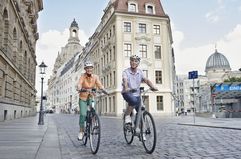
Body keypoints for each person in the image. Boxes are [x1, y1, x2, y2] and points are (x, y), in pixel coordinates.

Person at [122, 55, 158, 124]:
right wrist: (126, 88)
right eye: (132, 60)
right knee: (133, 100)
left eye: (135, 61)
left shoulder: (140, 72)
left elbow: (146, 80)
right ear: (130, 62)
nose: (133, 62)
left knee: (140, 110)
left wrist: (153, 87)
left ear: (138, 63)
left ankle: (136, 125)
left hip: (137, 93)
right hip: (127, 92)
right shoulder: (125, 72)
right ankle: (127, 115)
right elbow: (125, 80)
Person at [77, 61, 108, 140]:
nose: (89, 69)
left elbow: (99, 84)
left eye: (90, 68)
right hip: (83, 98)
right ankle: (81, 131)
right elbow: (79, 83)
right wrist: (79, 88)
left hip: (91, 97)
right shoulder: (83, 76)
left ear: (92, 69)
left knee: (93, 110)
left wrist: (104, 90)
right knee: (83, 114)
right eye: (87, 68)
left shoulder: (95, 77)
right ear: (85, 69)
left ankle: (94, 124)